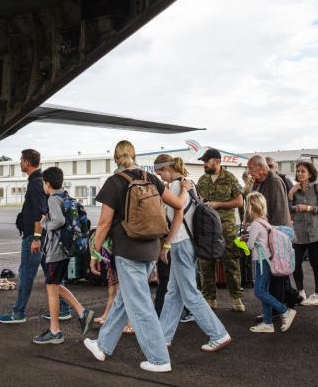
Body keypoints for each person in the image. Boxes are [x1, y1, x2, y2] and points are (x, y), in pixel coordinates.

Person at [83, 140, 190, 373]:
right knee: (126, 299)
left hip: (128, 250)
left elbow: (103, 224)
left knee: (139, 305)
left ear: (115, 158)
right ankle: (102, 345)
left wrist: (94, 251)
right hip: (151, 249)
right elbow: (179, 206)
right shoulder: (151, 178)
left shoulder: (114, 182)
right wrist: (184, 189)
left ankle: (159, 358)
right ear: (134, 155)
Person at [154, 155, 231, 352]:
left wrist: (166, 245)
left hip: (180, 243)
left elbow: (178, 216)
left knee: (189, 294)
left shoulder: (174, 187)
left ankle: (218, 333)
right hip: (190, 243)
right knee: (174, 293)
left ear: (169, 168)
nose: (160, 177)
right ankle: (163, 337)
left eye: (161, 172)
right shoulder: (190, 184)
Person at [32, 167, 96, 345]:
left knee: (52, 288)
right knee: (55, 285)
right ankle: (82, 312)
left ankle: (55, 331)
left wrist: (45, 224)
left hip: (55, 250)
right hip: (65, 249)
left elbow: (58, 220)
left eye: (44, 183)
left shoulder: (53, 199)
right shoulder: (65, 196)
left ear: (47, 183)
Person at [0, 149, 50, 324]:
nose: (20, 162)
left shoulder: (36, 183)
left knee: (26, 273)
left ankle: (18, 312)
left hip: (34, 238)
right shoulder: (39, 181)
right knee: (51, 274)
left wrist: (35, 238)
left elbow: (40, 213)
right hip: (41, 237)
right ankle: (63, 308)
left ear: (27, 162)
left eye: (21, 160)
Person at [248, 155, 302, 315]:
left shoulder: (274, 182)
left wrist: (268, 236)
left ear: (260, 167)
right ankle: (285, 302)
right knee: (276, 274)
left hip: (276, 234)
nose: (249, 172)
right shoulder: (259, 182)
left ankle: (277, 310)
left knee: (277, 275)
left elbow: (278, 213)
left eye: (251, 168)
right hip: (269, 233)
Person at [196, 148, 245, 311]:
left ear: (217, 161)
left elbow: (239, 202)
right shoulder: (202, 180)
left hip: (226, 228)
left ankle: (236, 298)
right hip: (207, 228)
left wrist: (219, 204)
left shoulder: (230, 178)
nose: (204, 164)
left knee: (231, 262)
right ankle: (209, 298)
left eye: (206, 161)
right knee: (206, 263)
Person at [244, 192, 296, 332]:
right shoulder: (264, 221)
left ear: (250, 207)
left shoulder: (255, 224)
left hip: (261, 261)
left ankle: (284, 310)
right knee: (264, 290)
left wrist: (244, 241)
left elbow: (249, 246)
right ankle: (267, 323)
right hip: (268, 260)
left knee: (259, 291)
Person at [288, 161, 318, 306]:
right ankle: (301, 292)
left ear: (310, 174)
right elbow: (288, 210)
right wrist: (291, 194)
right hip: (299, 231)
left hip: (316, 231)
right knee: (296, 262)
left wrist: (308, 208)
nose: (299, 173)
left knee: (315, 262)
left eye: (303, 171)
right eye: (298, 171)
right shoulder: (294, 189)